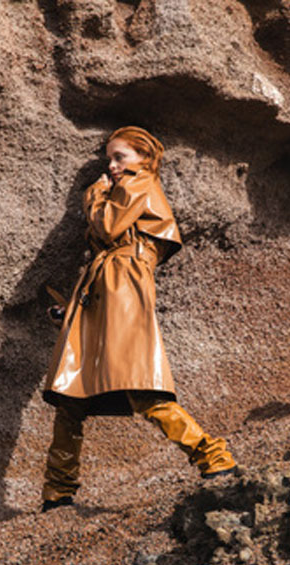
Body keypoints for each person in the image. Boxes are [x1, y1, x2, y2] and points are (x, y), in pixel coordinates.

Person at [39, 126, 237, 512]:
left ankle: (215, 458)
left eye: (120, 157)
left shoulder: (139, 181)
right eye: (109, 159)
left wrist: (95, 193)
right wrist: (75, 311)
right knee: (70, 398)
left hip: (122, 288)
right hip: (105, 288)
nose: (112, 166)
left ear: (144, 158)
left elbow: (107, 226)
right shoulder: (127, 188)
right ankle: (57, 494)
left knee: (143, 389)